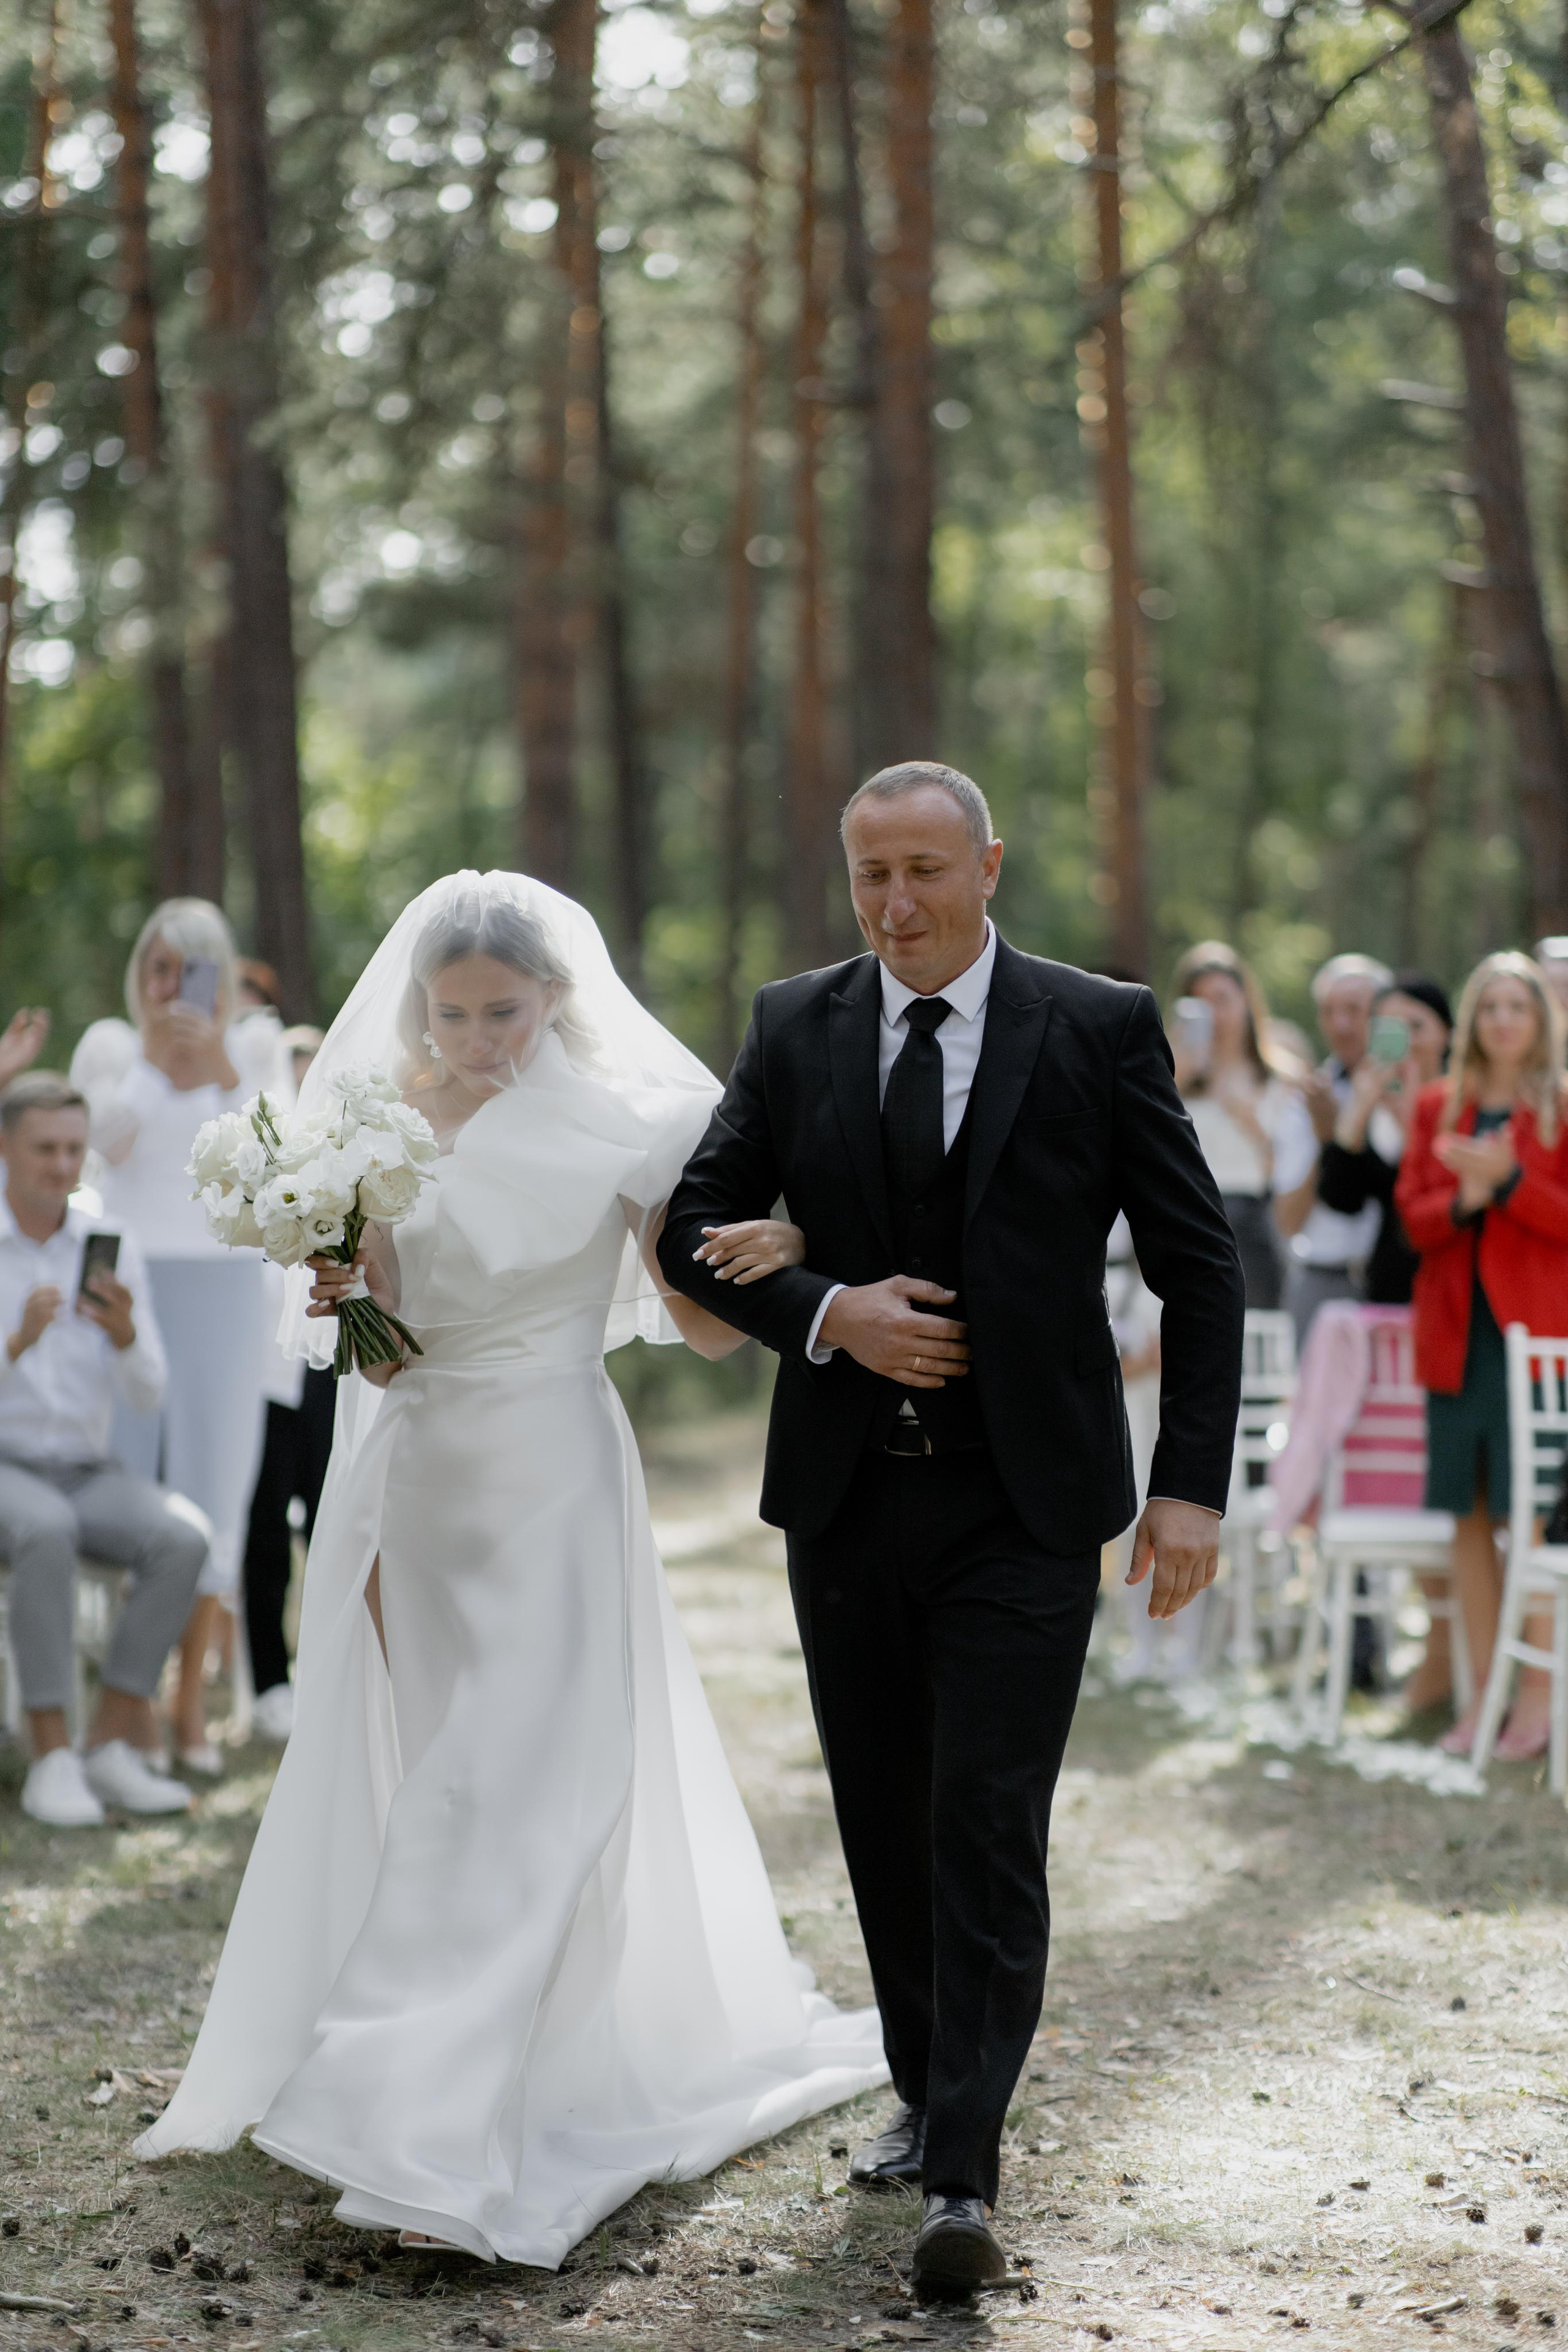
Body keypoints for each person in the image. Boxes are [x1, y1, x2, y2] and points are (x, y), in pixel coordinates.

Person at [136, 871, 888, 2261]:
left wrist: (787, 1246)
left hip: (551, 1467)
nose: (482, 1034)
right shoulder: (375, 1121)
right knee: (445, 1769)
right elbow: (390, 1340)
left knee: (522, 1782)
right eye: (456, 1010)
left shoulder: (628, 1123)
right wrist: (341, 1283)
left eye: (506, 1008)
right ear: (422, 1006)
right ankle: (450, 2074)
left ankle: (421, 2118)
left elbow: (705, 1327)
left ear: (553, 996)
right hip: (422, 1479)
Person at [657, 762, 1245, 2297]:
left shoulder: (1099, 1024)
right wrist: (826, 1310)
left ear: (987, 862)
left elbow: (1199, 1264)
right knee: (882, 1809)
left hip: (1025, 1502)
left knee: (985, 1815)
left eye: (924, 870)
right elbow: (688, 1233)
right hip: (847, 1498)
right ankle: (923, 2088)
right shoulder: (794, 1023)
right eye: (870, 877)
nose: (897, 905)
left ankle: (964, 2173)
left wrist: (1187, 1483)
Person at [69, 900, 270, 1774]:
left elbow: (279, 1153)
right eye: (157, 969)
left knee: (213, 1492)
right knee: (125, 1479)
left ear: (219, 979)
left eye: (188, 972)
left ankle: (191, 1709)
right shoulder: (112, 1048)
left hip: (227, 1289)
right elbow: (99, 1146)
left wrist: (217, 1059)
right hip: (127, 1286)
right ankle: (129, 1708)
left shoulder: (254, 1048)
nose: (168, 989)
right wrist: (156, 1064)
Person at [0, 1074, 207, 1826]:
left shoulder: (109, 1241)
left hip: (86, 1470)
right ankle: (50, 1757)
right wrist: (15, 1343)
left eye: (74, 1150)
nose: (62, 1167)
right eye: (45, 1149)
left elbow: (150, 1392)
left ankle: (110, 1744)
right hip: (7, 1468)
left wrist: (123, 1337)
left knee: (184, 1538)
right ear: (6, 1148)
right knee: (46, 1530)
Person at [1395, 951, 1568, 1760]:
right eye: (1490, 1006)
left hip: (1536, 1345)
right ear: (1474, 1021)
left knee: (1531, 1515)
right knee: (1465, 1514)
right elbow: (1413, 1221)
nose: (1503, 1019)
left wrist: (1508, 1182)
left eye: (1517, 1006)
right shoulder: (1437, 1106)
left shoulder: (1562, 1108)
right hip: (1456, 1340)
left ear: (1540, 1020)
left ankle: (1536, 1701)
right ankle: (1480, 1699)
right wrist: (1464, 1197)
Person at [242, 1026, 330, 1744]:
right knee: (265, 1528)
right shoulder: (255, 1158)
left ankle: (333, 1668)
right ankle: (270, 1681)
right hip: (266, 1373)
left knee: (333, 1519)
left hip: (332, 1363)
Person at [1168, 941, 1316, 1310]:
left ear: (1247, 1001)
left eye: (1223, 1000)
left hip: (1252, 1236)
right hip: (1179, 1229)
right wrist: (1173, 1081)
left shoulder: (1282, 1081)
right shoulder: (1166, 1078)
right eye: (1200, 1004)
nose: (1214, 1016)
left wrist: (1248, 1121)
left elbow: (1293, 1177)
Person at [1316, 974, 1453, 1307]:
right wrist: (1356, 1113)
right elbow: (1340, 1199)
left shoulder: (1462, 1106)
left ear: (1447, 1034)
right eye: (1389, 1029)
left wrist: (1412, 1122)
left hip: (1446, 1284)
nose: (1405, 1042)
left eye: (1416, 1027)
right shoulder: (1372, 1114)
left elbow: (1442, 1196)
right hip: (1387, 1291)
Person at [1285, 952, 1395, 1344]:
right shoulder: (1310, 1097)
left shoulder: (1411, 1092)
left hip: (1395, 1283)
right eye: (1328, 1011)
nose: (1340, 1024)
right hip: (1322, 1279)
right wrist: (1328, 1137)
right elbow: (1287, 1219)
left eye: (1354, 1009)